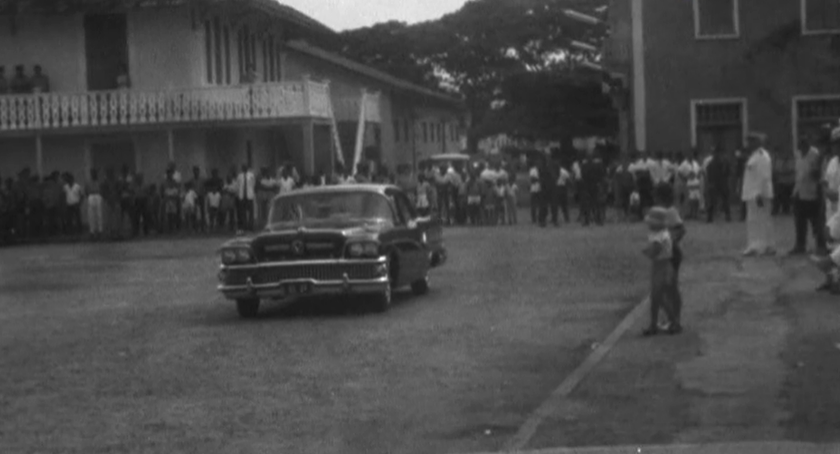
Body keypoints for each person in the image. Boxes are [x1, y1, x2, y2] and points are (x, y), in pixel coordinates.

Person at [641, 206, 679, 336]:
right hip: (664, 265)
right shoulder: (664, 233)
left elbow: (656, 250)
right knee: (658, 297)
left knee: (658, 297)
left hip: (661, 266)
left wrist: (646, 252)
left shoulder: (659, 235)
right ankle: (664, 322)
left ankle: (669, 322)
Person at [790, 138, 827, 256]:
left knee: (817, 222)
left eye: (803, 146)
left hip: (813, 194)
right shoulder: (798, 155)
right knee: (799, 222)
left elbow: (818, 175)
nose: (801, 149)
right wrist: (794, 192)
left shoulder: (815, 155)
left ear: (807, 145)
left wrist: (815, 170)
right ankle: (800, 245)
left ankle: (821, 245)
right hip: (800, 192)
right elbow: (798, 174)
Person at [741, 132, 775, 256]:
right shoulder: (754, 156)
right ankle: (760, 245)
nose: (748, 144)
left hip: (758, 194)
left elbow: (763, 176)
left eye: (751, 141)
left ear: (757, 142)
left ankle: (760, 246)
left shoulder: (762, 156)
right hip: (752, 194)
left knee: (759, 220)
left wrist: (758, 193)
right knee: (755, 220)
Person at [705, 147, 732, 223]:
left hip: (718, 183)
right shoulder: (721, 162)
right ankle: (725, 215)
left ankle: (712, 216)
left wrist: (710, 182)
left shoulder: (714, 162)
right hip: (719, 183)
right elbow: (728, 172)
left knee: (718, 200)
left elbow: (709, 172)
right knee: (717, 200)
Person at [85, 169, 104, 240]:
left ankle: (100, 230)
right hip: (91, 195)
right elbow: (86, 191)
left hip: (98, 195)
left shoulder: (100, 181)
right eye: (92, 173)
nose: (93, 174)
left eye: (94, 173)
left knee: (99, 214)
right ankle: (92, 231)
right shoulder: (88, 182)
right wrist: (89, 196)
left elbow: (102, 189)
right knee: (91, 215)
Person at [236, 163, 255, 231]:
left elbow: (253, 184)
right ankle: (244, 226)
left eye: (246, 167)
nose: (245, 168)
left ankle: (251, 226)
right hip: (242, 196)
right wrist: (239, 195)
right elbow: (238, 186)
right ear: (242, 168)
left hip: (249, 195)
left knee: (251, 212)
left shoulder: (251, 175)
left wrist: (251, 191)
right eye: (243, 167)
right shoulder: (239, 176)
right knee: (243, 212)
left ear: (247, 168)